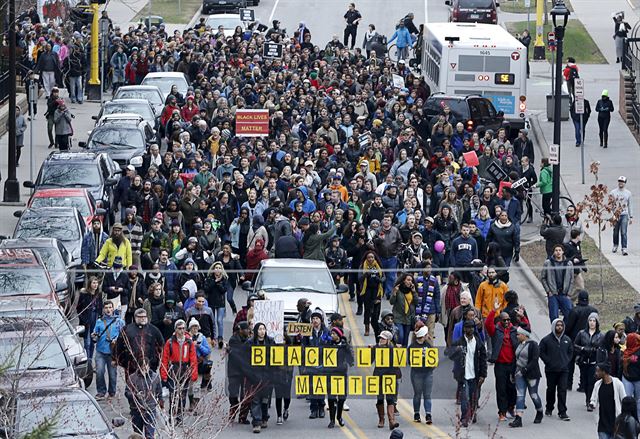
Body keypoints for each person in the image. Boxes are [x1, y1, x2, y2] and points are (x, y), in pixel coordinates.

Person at [447, 319, 487, 427]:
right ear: (464, 329)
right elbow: (448, 354)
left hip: (475, 374)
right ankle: (464, 417)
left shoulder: (478, 343)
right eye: (468, 327)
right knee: (464, 397)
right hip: (463, 374)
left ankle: (472, 414)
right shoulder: (459, 342)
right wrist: (456, 350)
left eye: (472, 328)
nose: (470, 329)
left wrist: (483, 375)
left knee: (474, 396)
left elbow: (483, 359)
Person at [160, 319, 198, 425]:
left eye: (183, 328)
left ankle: (180, 417)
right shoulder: (170, 342)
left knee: (183, 395)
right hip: (173, 370)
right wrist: (164, 374)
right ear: (175, 329)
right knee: (173, 395)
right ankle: (172, 416)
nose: (181, 331)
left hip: (184, 371)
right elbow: (165, 359)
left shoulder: (189, 342)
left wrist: (193, 373)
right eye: (179, 328)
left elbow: (193, 359)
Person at [484, 303, 517, 421]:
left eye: (508, 320)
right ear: (500, 321)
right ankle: (502, 412)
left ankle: (511, 407)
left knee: (512, 388)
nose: (507, 322)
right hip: (500, 364)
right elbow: (487, 324)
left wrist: (522, 317)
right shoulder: (496, 330)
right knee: (501, 388)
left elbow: (527, 329)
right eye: (504, 320)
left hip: (512, 364)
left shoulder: (514, 330)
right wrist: (493, 310)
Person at [509, 326, 544, 427]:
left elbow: (534, 360)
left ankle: (539, 411)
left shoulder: (534, 345)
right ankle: (518, 418)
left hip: (532, 374)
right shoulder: (518, 345)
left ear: (524, 335)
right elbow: (515, 360)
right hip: (519, 373)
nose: (517, 336)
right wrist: (512, 372)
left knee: (533, 395)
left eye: (519, 334)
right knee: (520, 395)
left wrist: (525, 369)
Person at [539, 318, 573, 421]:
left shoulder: (567, 339)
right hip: (551, 370)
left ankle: (562, 412)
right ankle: (549, 407)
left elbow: (570, 352)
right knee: (551, 390)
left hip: (563, 370)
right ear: (554, 326)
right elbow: (541, 352)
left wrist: (566, 361)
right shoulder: (546, 340)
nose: (559, 327)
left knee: (562, 390)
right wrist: (548, 361)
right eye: (557, 325)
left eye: (561, 325)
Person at [565, 290, 598, 390]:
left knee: (570, 363)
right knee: (585, 364)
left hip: (574, 340)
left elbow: (568, 327)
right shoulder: (593, 311)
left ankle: (568, 383)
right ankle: (584, 385)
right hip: (589, 340)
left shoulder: (575, 310)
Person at [92, 301, 125, 400]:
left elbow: (123, 335)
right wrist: (94, 336)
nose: (108, 310)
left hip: (112, 352)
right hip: (100, 351)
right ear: (103, 309)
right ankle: (101, 391)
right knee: (99, 372)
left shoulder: (119, 322)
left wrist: (117, 340)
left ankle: (112, 392)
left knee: (112, 374)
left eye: (110, 307)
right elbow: (95, 333)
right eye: (106, 307)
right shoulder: (99, 321)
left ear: (113, 308)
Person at [589, 362, 627, 439]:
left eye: (598, 371)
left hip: (615, 423)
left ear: (604, 372)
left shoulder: (618, 384)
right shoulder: (597, 384)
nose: (596, 373)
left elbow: (624, 400)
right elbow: (593, 399)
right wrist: (592, 404)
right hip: (602, 423)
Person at [326, 326, 354, 428]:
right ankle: (332, 419)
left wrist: (348, 351)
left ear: (338, 335)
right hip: (330, 373)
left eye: (334, 334)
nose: (332, 336)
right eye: (331, 334)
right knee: (331, 397)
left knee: (342, 398)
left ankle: (339, 416)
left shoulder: (344, 346)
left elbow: (351, 360)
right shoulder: (328, 345)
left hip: (341, 373)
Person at [374, 330, 401, 428]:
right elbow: (369, 359)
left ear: (388, 340)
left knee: (390, 399)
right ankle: (381, 419)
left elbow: (398, 362)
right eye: (380, 338)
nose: (380, 340)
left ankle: (392, 421)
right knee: (380, 399)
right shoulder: (376, 347)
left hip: (390, 376)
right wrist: (370, 350)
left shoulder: (393, 349)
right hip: (379, 376)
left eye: (383, 338)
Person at [541, 244, 574, 322]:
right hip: (553, 294)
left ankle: (565, 331)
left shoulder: (569, 263)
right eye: (556, 250)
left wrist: (569, 293)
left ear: (563, 252)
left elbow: (571, 280)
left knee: (569, 315)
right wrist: (548, 291)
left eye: (560, 250)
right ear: (554, 252)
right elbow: (543, 278)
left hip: (564, 294)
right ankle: (555, 332)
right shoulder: (548, 263)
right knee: (554, 317)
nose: (558, 252)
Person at [409, 326, 434, 425]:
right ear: (423, 336)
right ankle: (416, 413)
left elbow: (433, 358)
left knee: (427, 394)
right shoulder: (412, 347)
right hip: (417, 373)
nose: (428, 336)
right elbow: (410, 361)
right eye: (426, 334)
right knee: (418, 394)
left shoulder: (428, 345)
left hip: (428, 373)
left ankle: (428, 414)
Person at [359, 250, 384, 337]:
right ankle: (367, 328)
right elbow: (359, 279)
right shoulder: (363, 266)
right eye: (369, 257)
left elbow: (384, 278)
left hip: (377, 291)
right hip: (367, 291)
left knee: (376, 311)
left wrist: (379, 279)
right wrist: (366, 274)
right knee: (367, 310)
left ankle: (375, 327)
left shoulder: (378, 266)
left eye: (372, 257)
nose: (370, 259)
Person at [390, 273, 418, 346]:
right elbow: (391, 302)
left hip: (408, 318)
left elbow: (416, 302)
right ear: (403, 280)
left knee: (405, 339)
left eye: (411, 280)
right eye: (408, 280)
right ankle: (397, 351)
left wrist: (414, 292)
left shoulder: (412, 290)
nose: (410, 282)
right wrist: (394, 293)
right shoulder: (398, 289)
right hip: (398, 317)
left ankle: (404, 355)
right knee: (400, 336)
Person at [611, 176, 633, 255]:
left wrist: (631, 216)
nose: (621, 183)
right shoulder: (613, 192)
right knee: (615, 231)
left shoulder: (628, 193)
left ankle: (624, 248)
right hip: (616, 214)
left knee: (624, 232)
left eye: (622, 181)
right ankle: (615, 244)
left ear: (625, 183)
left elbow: (630, 205)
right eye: (619, 181)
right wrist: (612, 214)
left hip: (624, 214)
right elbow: (611, 204)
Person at [622, 333, 640, 421]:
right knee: (626, 398)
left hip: (638, 379)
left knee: (638, 400)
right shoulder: (626, 351)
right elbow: (621, 363)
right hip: (627, 378)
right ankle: (626, 418)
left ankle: (638, 419)